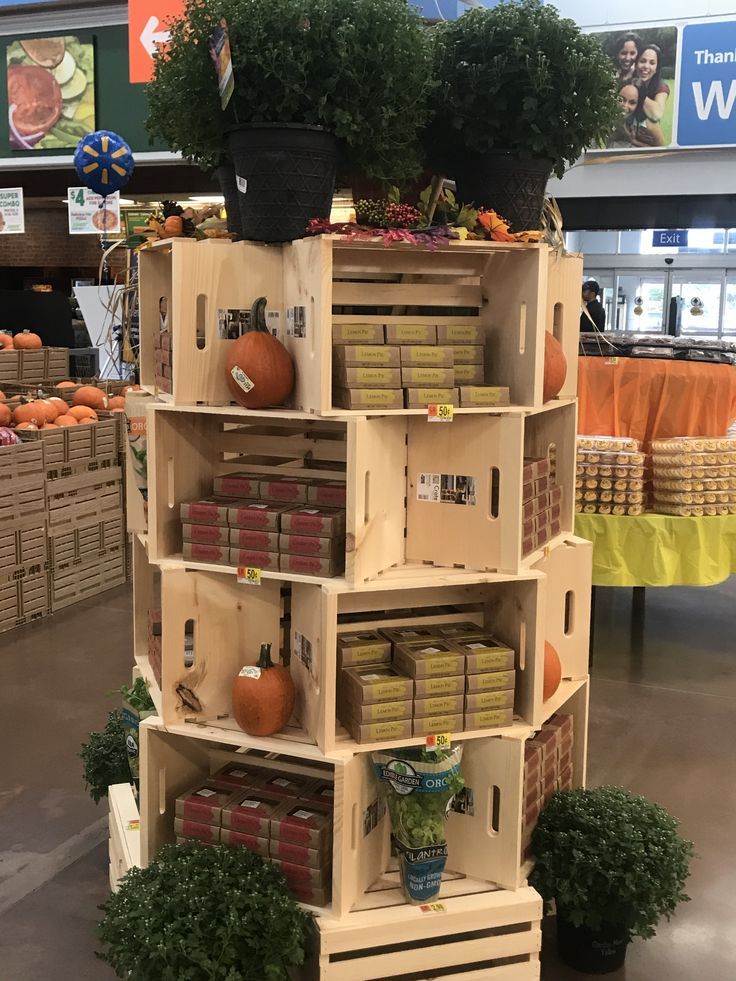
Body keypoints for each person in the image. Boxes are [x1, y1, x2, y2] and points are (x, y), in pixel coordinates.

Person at [635, 44, 670, 127]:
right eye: (642, 61)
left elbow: (656, 115)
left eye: (652, 63)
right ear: (636, 63)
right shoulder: (626, 81)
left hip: (648, 134)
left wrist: (639, 89)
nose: (646, 66)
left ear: (656, 68)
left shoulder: (661, 87)